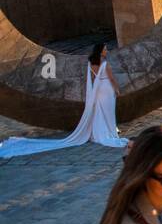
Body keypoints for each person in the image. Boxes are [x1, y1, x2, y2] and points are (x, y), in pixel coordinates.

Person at [0, 43, 129, 158]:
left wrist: (95, 90)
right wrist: (116, 89)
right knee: (108, 111)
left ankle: (100, 132)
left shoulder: (91, 62)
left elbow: (92, 78)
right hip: (106, 89)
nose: (106, 50)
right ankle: (109, 132)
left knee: (100, 111)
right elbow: (111, 78)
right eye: (105, 49)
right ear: (101, 51)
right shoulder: (105, 63)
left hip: (98, 89)